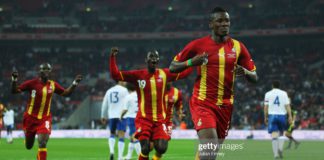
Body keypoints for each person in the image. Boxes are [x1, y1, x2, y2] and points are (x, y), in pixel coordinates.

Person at [168, 7, 258, 160]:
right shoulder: (198, 45)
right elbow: (172, 67)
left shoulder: (238, 47)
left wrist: (246, 72)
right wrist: (191, 62)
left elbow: (255, 77)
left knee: (211, 153)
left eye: (227, 21)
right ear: (211, 24)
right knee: (210, 147)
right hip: (203, 103)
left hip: (225, 106)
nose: (224, 24)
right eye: (220, 21)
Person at [110, 47, 192, 160]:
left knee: (162, 148)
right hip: (144, 119)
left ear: (158, 61)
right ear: (146, 60)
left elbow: (184, 74)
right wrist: (112, 57)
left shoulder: (165, 74)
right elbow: (116, 75)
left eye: (156, 58)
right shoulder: (138, 75)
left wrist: (192, 61)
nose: (153, 60)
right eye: (151, 57)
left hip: (159, 120)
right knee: (145, 148)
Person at [11, 63, 82, 160]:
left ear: (50, 71)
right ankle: (27, 138)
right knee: (29, 146)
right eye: (44, 69)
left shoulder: (53, 85)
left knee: (42, 143)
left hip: (45, 119)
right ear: (39, 71)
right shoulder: (31, 83)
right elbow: (14, 91)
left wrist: (74, 83)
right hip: (30, 118)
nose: (46, 71)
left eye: (48, 69)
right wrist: (14, 80)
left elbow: (66, 93)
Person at [264, 80, 292, 159]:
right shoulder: (284, 93)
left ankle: (275, 154)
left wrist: (265, 117)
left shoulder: (268, 94)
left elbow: (266, 107)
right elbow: (287, 106)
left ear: (272, 86)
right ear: (279, 86)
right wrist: (290, 116)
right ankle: (280, 148)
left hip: (272, 115)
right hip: (282, 116)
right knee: (282, 133)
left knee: (274, 135)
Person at [101, 81, 128, 160]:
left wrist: (103, 115)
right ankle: (120, 157)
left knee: (112, 133)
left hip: (111, 115)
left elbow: (104, 104)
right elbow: (128, 102)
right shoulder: (124, 90)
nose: (125, 82)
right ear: (120, 81)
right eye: (123, 81)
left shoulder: (109, 91)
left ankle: (112, 151)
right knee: (121, 135)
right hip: (121, 116)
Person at [120, 83, 141, 160]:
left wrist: (121, 116)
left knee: (134, 137)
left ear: (128, 89)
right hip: (140, 117)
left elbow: (125, 109)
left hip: (131, 118)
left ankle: (140, 156)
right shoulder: (140, 95)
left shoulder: (128, 97)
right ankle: (128, 156)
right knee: (132, 138)